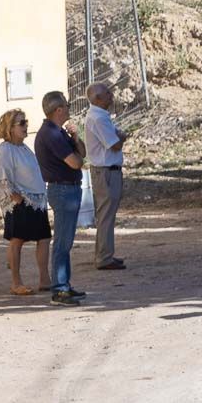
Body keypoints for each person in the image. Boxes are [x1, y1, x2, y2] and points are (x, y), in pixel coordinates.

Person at [34, 91, 86, 306]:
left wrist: (75, 137)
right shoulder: (51, 134)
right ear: (58, 110)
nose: (69, 107)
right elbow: (76, 162)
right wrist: (77, 156)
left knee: (66, 241)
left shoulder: (59, 132)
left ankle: (64, 284)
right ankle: (59, 289)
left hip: (68, 189)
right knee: (62, 242)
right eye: (66, 105)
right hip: (63, 190)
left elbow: (82, 152)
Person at [0, 109, 51, 296]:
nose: (26, 126)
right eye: (21, 123)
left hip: (36, 200)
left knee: (43, 238)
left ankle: (45, 279)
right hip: (20, 201)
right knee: (17, 241)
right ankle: (16, 283)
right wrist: (14, 197)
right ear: (10, 128)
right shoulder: (4, 150)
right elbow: (1, 176)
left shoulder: (24, 148)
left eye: (26, 122)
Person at [83, 82, 129, 268]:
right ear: (97, 99)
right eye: (107, 93)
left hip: (105, 171)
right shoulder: (99, 118)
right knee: (106, 215)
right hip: (106, 172)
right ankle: (104, 257)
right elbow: (115, 144)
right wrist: (122, 137)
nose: (111, 95)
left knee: (106, 214)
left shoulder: (99, 115)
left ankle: (105, 254)